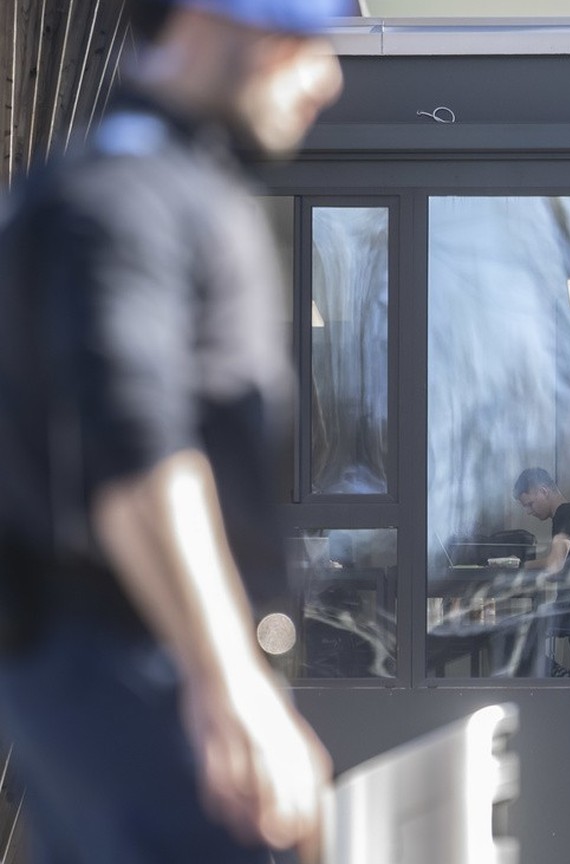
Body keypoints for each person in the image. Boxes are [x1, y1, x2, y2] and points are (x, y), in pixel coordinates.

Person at [0, 1, 346, 862]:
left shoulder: (156, 188)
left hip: (132, 678)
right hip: (131, 674)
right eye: (293, 41)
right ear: (198, 21)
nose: (325, 76)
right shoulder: (119, 201)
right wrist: (226, 684)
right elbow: (135, 455)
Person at [514, 468, 570, 676]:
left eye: (530, 503)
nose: (529, 511)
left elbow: (554, 564)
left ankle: (561, 675)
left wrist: (520, 565)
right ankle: (568, 675)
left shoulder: (566, 513)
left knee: (517, 629)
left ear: (544, 490)